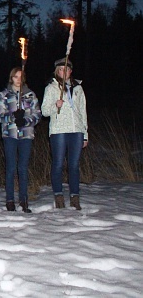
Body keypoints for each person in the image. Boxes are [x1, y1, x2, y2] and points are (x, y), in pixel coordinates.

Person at [41, 58, 88, 210]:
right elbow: (44, 111)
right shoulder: (51, 88)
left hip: (76, 130)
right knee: (58, 164)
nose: (64, 72)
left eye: (67, 69)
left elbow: (83, 111)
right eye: (61, 69)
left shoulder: (78, 88)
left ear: (71, 71)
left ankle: (75, 197)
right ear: (57, 71)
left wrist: (85, 133)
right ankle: (59, 196)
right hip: (59, 130)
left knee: (74, 165)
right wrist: (56, 105)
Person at [0, 67, 41, 213]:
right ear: (11, 78)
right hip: (10, 135)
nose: (18, 79)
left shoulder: (30, 95)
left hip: (26, 135)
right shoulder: (4, 94)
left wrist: (26, 121)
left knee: (23, 168)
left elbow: (37, 115)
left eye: (21, 76)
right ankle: (10, 200)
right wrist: (13, 117)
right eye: (16, 76)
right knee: (11, 168)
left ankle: (24, 200)